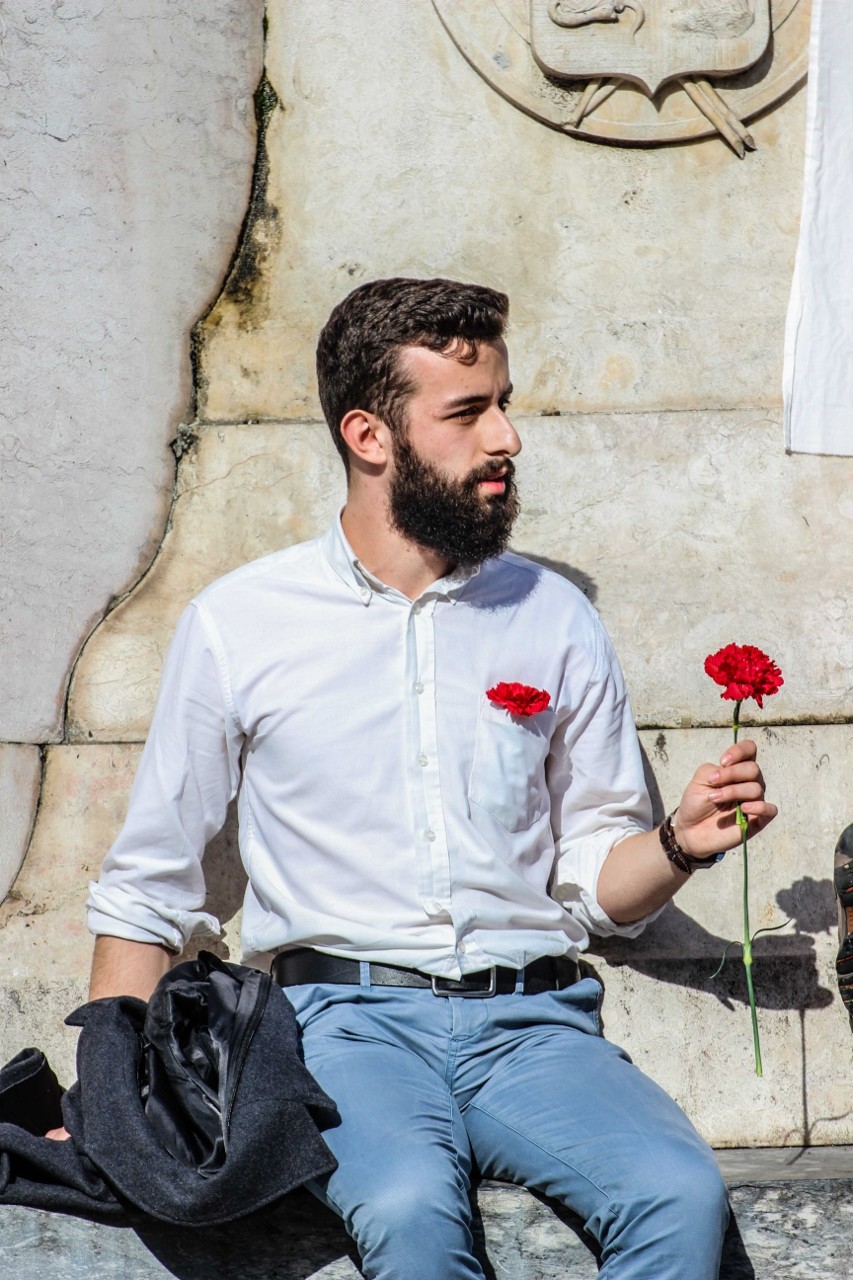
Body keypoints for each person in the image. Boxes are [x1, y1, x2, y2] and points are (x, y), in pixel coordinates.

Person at [77, 278, 776, 1277]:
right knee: (407, 1207)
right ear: (368, 436)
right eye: (467, 412)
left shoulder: (553, 614)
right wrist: (110, 1100)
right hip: (340, 1028)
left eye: (504, 404)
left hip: (535, 1026)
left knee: (679, 1193)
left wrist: (676, 845)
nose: (506, 438)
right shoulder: (241, 622)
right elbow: (148, 881)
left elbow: (595, 886)